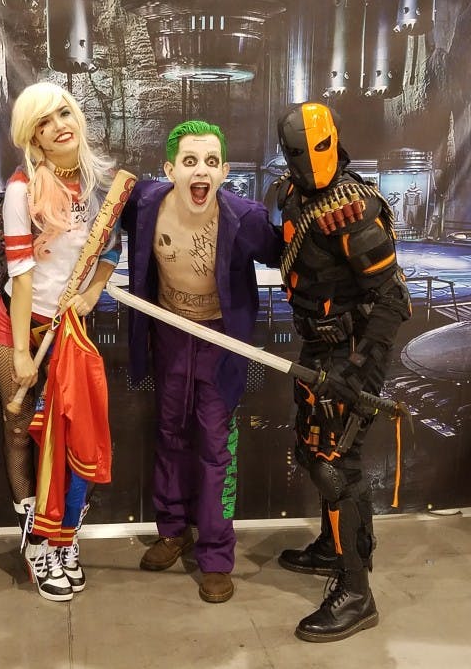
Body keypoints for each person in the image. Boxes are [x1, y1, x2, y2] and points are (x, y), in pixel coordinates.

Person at [122, 120, 282, 603]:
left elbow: (285, 251)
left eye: (211, 162)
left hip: (219, 341)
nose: (201, 170)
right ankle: (172, 531)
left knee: (215, 446)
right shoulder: (144, 203)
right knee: (169, 433)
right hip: (168, 333)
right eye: (189, 161)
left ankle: (215, 555)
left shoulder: (244, 217)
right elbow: (97, 221)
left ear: (225, 170)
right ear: (169, 168)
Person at [273, 102, 411, 642]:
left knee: (337, 462)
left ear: (335, 140)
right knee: (313, 449)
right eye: (301, 154)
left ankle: (357, 592)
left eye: (320, 149)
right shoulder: (291, 196)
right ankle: (335, 548)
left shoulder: (353, 209)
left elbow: (391, 299)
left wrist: (359, 375)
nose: (313, 163)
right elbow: (292, 255)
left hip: (351, 350)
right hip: (315, 345)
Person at [0, 81, 120, 602]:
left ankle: (65, 539)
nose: (59, 124)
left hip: (70, 329)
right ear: (32, 135)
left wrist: (93, 293)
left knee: (68, 437)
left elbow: (112, 251)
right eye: (44, 121)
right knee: (20, 429)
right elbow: (21, 276)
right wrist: (20, 354)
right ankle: (37, 542)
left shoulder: (100, 185)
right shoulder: (22, 188)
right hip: (17, 326)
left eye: (64, 112)